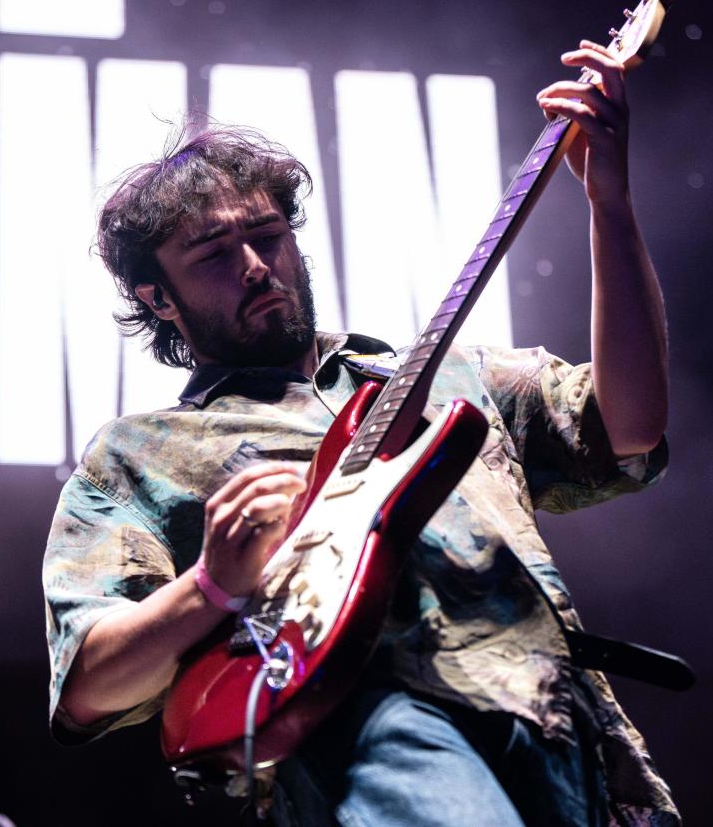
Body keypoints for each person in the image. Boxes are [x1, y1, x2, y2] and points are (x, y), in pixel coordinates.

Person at [43, 40, 678, 827]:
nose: (254, 265)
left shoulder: (449, 373)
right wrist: (213, 583)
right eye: (213, 254)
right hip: (371, 726)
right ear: (158, 297)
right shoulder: (136, 457)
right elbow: (88, 688)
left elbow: (631, 428)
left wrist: (608, 202)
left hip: (564, 719)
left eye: (268, 236)